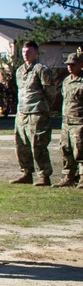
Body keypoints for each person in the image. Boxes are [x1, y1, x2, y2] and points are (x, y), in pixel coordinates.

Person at [10, 40, 57, 186]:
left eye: (29, 52)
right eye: (24, 52)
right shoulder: (19, 71)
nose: (26, 54)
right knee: (21, 144)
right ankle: (26, 173)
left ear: (36, 52)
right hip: (22, 112)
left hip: (37, 112)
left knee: (38, 145)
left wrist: (43, 108)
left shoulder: (42, 70)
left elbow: (50, 93)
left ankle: (44, 175)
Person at [54, 51, 83, 188]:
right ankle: (69, 176)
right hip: (66, 122)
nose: (70, 67)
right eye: (68, 64)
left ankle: (82, 178)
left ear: (81, 64)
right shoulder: (66, 81)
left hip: (79, 122)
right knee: (66, 150)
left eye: (73, 64)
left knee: (80, 151)